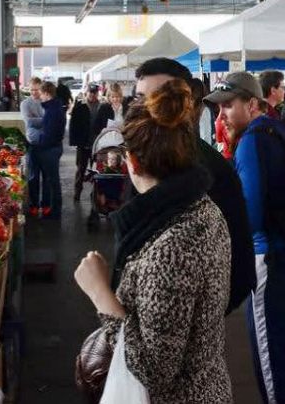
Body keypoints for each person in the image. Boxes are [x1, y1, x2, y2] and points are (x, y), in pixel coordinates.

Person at [74, 80, 233, 404]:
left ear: (131, 161)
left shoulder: (169, 252)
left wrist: (100, 293)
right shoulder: (205, 209)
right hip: (211, 387)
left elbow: (153, 370)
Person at [213, 72, 285, 404]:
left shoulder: (253, 141)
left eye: (228, 106)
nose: (222, 115)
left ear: (252, 104)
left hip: (270, 261)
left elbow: (251, 216)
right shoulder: (282, 131)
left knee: (274, 378)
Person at [135, 58, 255, 315]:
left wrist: (198, 318)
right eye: (139, 99)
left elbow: (241, 269)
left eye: (160, 98)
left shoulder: (213, 172)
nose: (147, 109)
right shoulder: (141, 162)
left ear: (187, 104)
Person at [33, 81, 66, 219]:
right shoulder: (56, 107)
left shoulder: (52, 111)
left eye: (40, 93)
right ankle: (54, 208)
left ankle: (55, 211)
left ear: (46, 93)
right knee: (52, 180)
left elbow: (50, 135)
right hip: (55, 147)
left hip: (50, 149)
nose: (39, 96)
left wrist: (38, 142)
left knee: (53, 181)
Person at [69, 85, 102, 202]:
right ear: (86, 92)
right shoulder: (80, 106)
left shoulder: (102, 107)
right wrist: (74, 141)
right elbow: (73, 125)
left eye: (95, 92)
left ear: (98, 93)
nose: (92, 94)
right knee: (80, 170)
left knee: (97, 171)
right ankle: (77, 193)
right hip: (83, 145)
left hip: (97, 146)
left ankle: (96, 195)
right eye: (90, 92)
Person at [19, 78, 45, 215]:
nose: (34, 92)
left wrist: (38, 120)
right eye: (32, 90)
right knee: (33, 176)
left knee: (47, 176)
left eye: (37, 89)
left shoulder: (47, 101)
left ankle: (46, 205)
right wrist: (45, 120)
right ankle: (34, 205)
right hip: (32, 144)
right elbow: (28, 122)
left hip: (47, 143)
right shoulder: (25, 104)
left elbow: (52, 120)